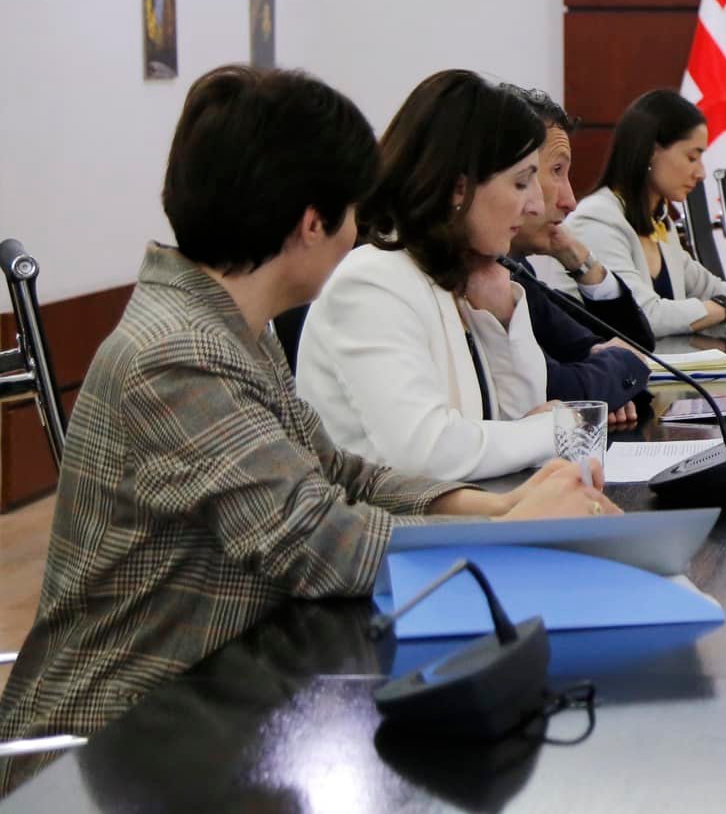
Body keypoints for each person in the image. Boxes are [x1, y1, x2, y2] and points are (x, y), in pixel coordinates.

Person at [0, 67, 614, 791]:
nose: (361, 230)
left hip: (213, 702)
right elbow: (316, 541)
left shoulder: (232, 326)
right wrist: (506, 536)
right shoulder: (178, 353)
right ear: (313, 223)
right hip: (113, 743)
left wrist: (496, 507)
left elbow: (337, 473)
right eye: (352, 209)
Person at [297, 71, 561, 481]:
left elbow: (515, 421)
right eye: (522, 182)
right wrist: (553, 429)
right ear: (459, 188)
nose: (536, 206)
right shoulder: (371, 282)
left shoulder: (453, 272)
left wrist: (503, 317)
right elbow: (424, 453)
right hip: (388, 521)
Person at [567, 89, 726, 337]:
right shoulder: (597, 220)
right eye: (692, 157)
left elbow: (705, 286)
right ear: (651, 152)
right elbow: (643, 316)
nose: (701, 173)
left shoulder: (659, 219)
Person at [505, 87, 653, 426]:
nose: (570, 200)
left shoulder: (517, 268)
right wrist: (608, 382)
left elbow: (636, 347)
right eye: (556, 170)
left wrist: (579, 260)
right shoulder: (484, 276)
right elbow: (557, 385)